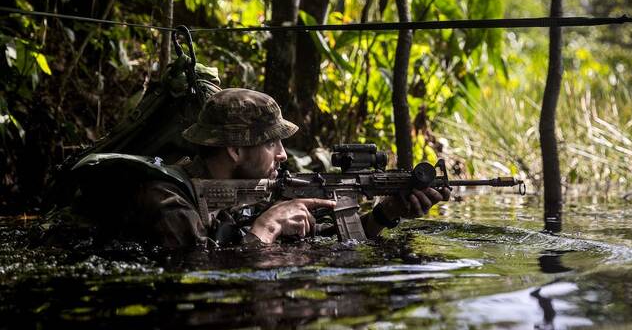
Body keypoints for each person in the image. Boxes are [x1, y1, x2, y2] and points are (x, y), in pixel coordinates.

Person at [132, 88, 449, 248]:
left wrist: (385, 214)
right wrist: (266, 227)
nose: (283, 154)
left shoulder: (246, 196)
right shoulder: (167, 200)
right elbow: (196, 277)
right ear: (235, 150)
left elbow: (328, 240)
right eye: (272, 143)